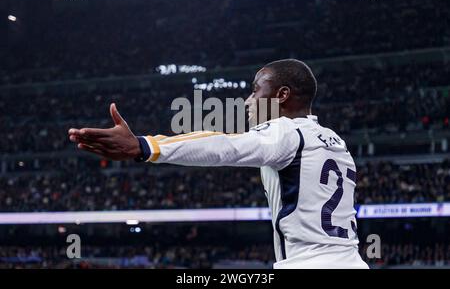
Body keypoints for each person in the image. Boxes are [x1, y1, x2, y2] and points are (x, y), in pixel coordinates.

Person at [68, 59, 368, 269]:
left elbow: (224, 146)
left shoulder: (286, 131)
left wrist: (144, 146)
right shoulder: (335, 141)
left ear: (282, 95)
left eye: (255, 90)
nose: (248, 99)